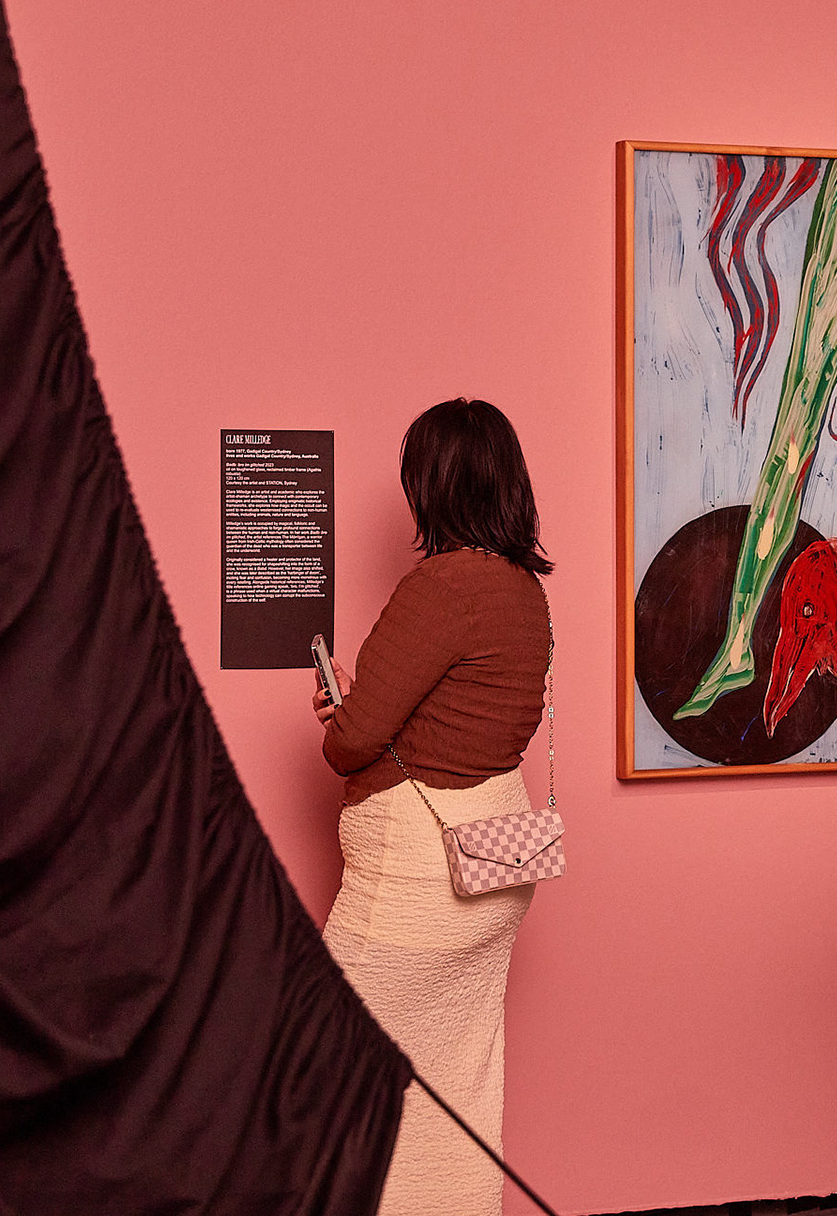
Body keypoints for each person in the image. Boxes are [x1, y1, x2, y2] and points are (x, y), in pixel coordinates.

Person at [312, 398, 553, 1216]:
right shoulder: (525, 593)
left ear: (435, 485)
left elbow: (353, 743)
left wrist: (342, 715)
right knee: (454, 1088)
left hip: (417, 886)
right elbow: (466, 723)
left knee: (323, 1066)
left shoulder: (440, 587)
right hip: (496, 871)